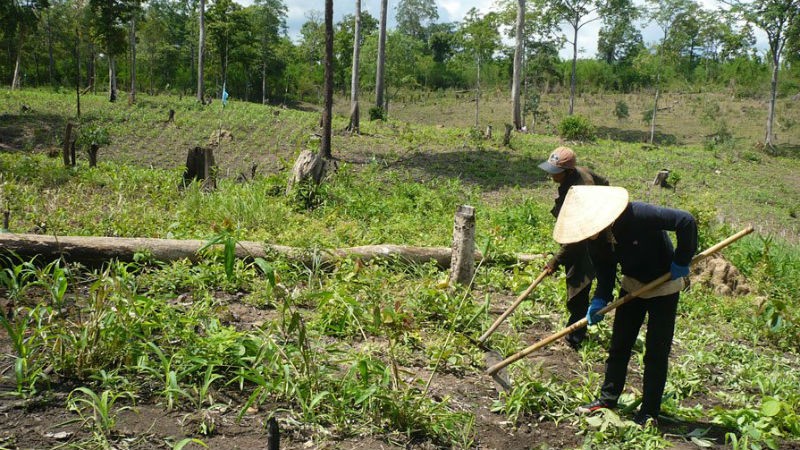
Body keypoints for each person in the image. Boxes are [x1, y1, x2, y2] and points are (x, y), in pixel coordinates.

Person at [552, 185, 697, 426]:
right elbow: (606, 271)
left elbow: (686, 221)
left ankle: (650, 411)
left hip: (664, 285)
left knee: (655, 352)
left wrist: (682, 259)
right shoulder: (594, 239)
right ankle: (607, 399)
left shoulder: (638, 214)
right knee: (619, 345)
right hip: (632, 286)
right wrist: (600, 299)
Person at [538, 146, 609, 349]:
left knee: (578, 285)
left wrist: (556, 260)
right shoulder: (579, 173)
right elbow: (606, 182)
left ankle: (576, 334)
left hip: (588, 240)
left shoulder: (581, 190)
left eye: (555, 172)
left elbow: (576, 239)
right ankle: (575, 327)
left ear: (568, 171)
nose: (551, 175)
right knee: (576, 283)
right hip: (581, 234)